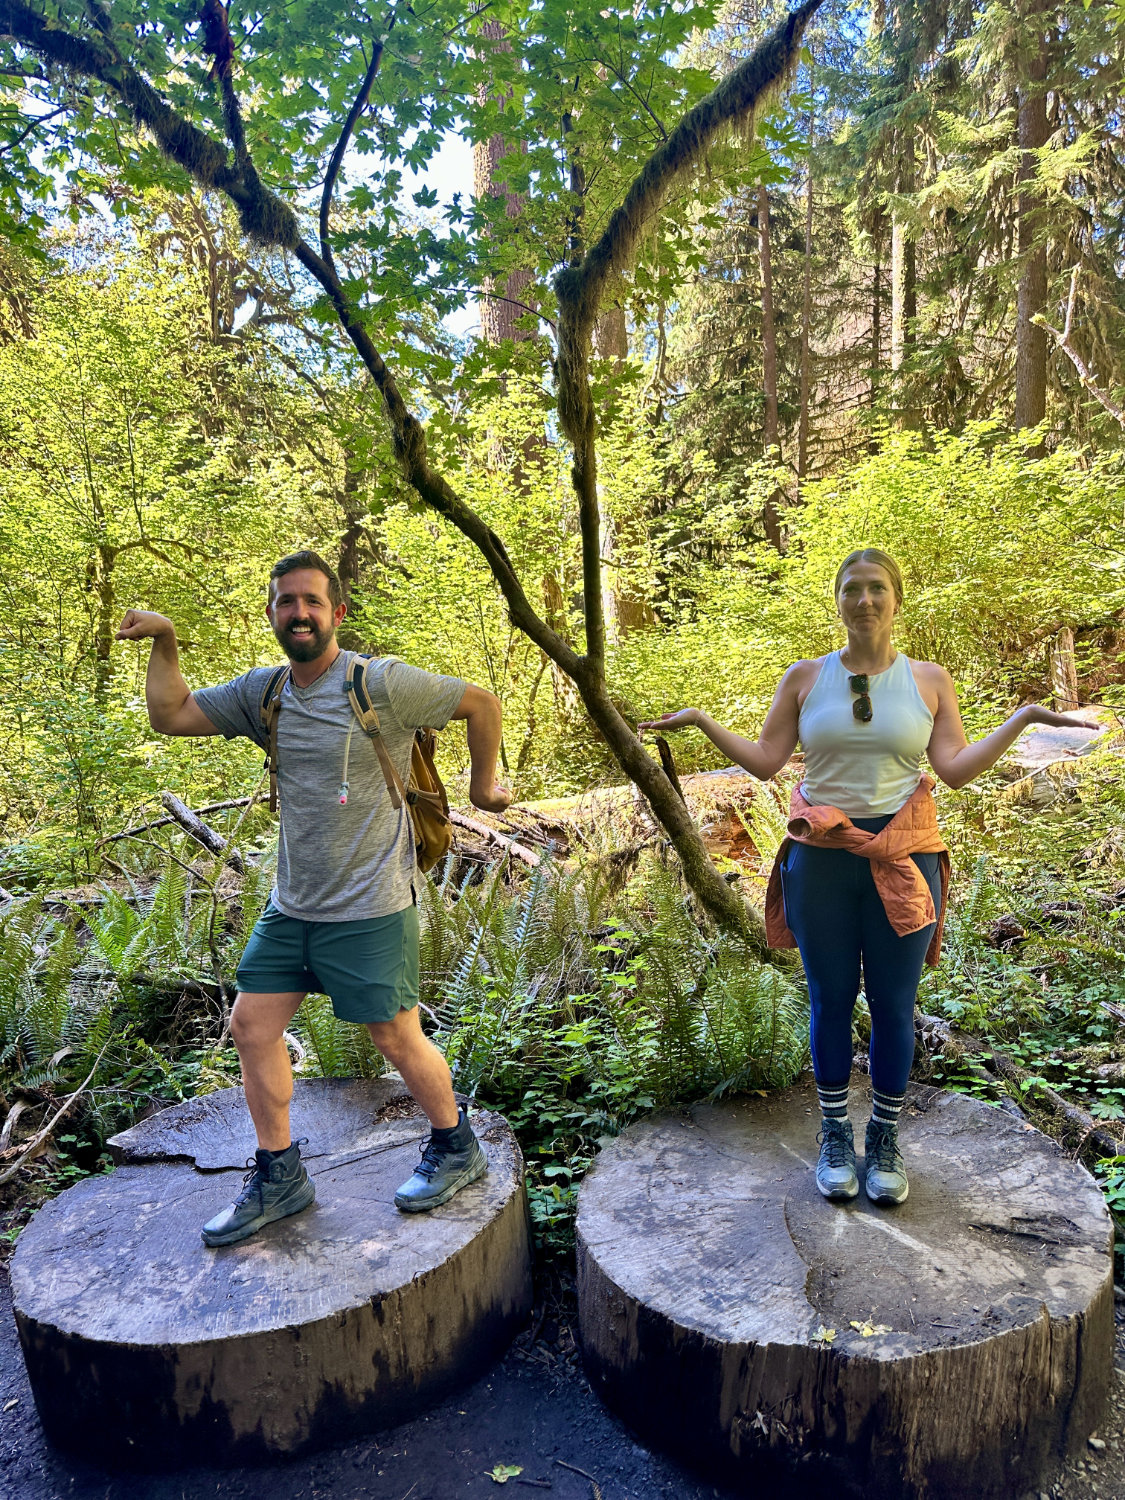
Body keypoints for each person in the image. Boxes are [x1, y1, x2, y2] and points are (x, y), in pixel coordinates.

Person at [639, 548, 1097, 1207]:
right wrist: (705, 723)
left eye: (876, 588)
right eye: (852, 589)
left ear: (895, 599)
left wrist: (1021, 719)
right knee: (827, 1000)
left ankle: (882, 1139)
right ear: (838, 601)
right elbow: (768, 762)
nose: (865, 600)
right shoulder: (804, 678)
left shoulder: (929, 680)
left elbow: (954, 768)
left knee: (891, 1006)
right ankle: (832, 1137)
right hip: (820, 860)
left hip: (904, 857)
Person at [116, 550, 511, 1246]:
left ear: (336, 613)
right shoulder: (264, 694)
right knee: (251, 1027)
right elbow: (170, 715)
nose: (299, 613)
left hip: (370, 904)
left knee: (393, 1033)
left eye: (311, 601)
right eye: (285, 602)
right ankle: (279, 1175)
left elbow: (481, 703)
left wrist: (484, 788)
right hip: (293, 904)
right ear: (270, 614)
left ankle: (456, 1147)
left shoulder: (381, 684)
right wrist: (167, 638)